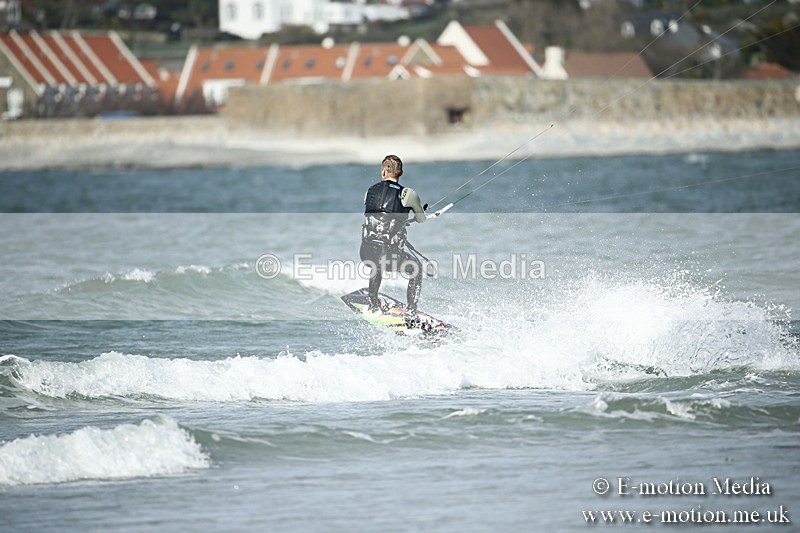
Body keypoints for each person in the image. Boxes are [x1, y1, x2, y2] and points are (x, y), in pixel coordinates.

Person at [360, 154, 427, 326]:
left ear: (383, 172)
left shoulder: (369, 191)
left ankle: (373, 304)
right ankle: (411, 313)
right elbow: (421, 218)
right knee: (416, 269)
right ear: (401, 173)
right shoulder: (407, 193)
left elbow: (380, 217)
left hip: (365, 251)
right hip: (388, 254)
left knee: (376, 264)